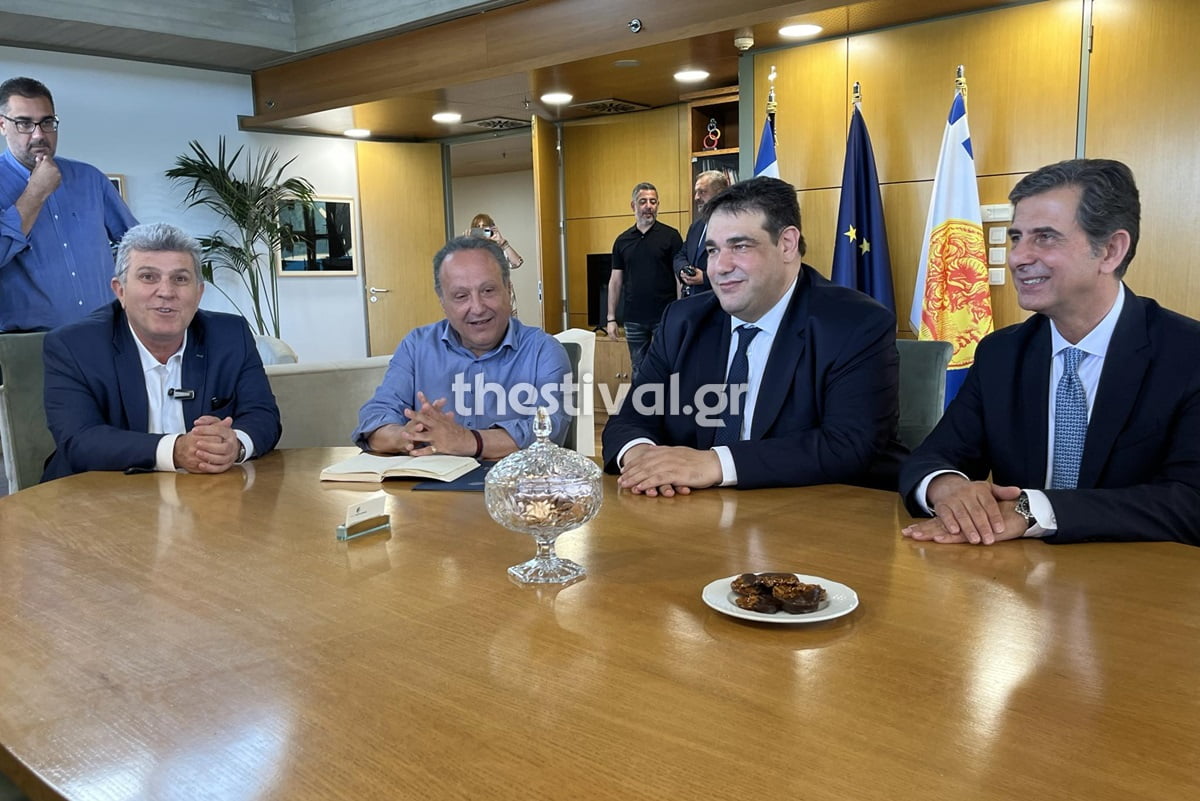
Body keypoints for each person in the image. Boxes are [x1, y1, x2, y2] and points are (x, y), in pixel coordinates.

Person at [899, 158, 1200, 547]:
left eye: (1045, 237)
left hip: (1139, 576)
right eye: (1016, 237)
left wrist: (1035, 511)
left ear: (1110, 250)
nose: (1018, 257)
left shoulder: (1188, 354)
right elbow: (932, 458)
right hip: (1018, 574)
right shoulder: (1001, 353)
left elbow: (1190, 502)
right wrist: (947, 487)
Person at [602, 176, 906, 495]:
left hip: (812, 514)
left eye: (740, 246)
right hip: (691, 512)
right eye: (712, 250)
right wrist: (642, 460)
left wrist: (717, 463)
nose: (719, 267)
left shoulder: (855, 324)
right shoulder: (682, 321)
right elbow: (631, 418)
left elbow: (848, 444)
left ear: (787, 244)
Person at [42, 222, 281, 481]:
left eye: (180, 279)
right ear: (120, 290)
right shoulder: (74, 345)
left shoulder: (231, 336)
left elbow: (263, 415)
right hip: (97, 492)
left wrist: (235, 444)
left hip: (204, 492)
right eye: (148, 277)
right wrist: (175, 450)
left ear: (199, 293)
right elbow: (80, 440)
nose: (166, 292)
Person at [354, 236, 571, 459]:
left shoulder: (543, 350)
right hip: (428, 478)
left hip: (513, 480)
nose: (477, 308)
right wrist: (406, 436)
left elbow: (551, 429)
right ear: (442, 301)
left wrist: (467, 441)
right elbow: (375, 419)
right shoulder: (416, 346)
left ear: (508, 289)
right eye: (461, 296)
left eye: (488, 290)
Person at [0, 76, 138, 333]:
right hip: (29, 344)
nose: (39, 134)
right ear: (2, 125)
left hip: (105, 333)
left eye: (47, 122)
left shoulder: (90, 178)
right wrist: (36, 192)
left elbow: (136, 244)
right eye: (24, 123)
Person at [605, 182, 683, 374]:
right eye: (643, 202)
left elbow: (679, 278)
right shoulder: (622, 241)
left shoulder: (671, 236)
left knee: (667, 368)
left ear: (657, 205)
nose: (649, 206)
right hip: (634, 319)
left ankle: (666, 397)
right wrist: (611, 318)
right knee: (639, 370)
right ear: (633, 206)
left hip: (664, 317)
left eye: (653, 202)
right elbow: (615, 281)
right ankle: (642, 396)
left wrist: (680, 313)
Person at [674, 170, 730, 296]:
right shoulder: (697, 226)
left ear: (720, 194)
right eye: (696, 192)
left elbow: (736, 268)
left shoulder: (733, 225)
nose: (696, 197)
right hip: (691, 300)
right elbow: (681, 255)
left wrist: (704, 278)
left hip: (718, 300)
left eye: (702, 192)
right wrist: (683, 269)